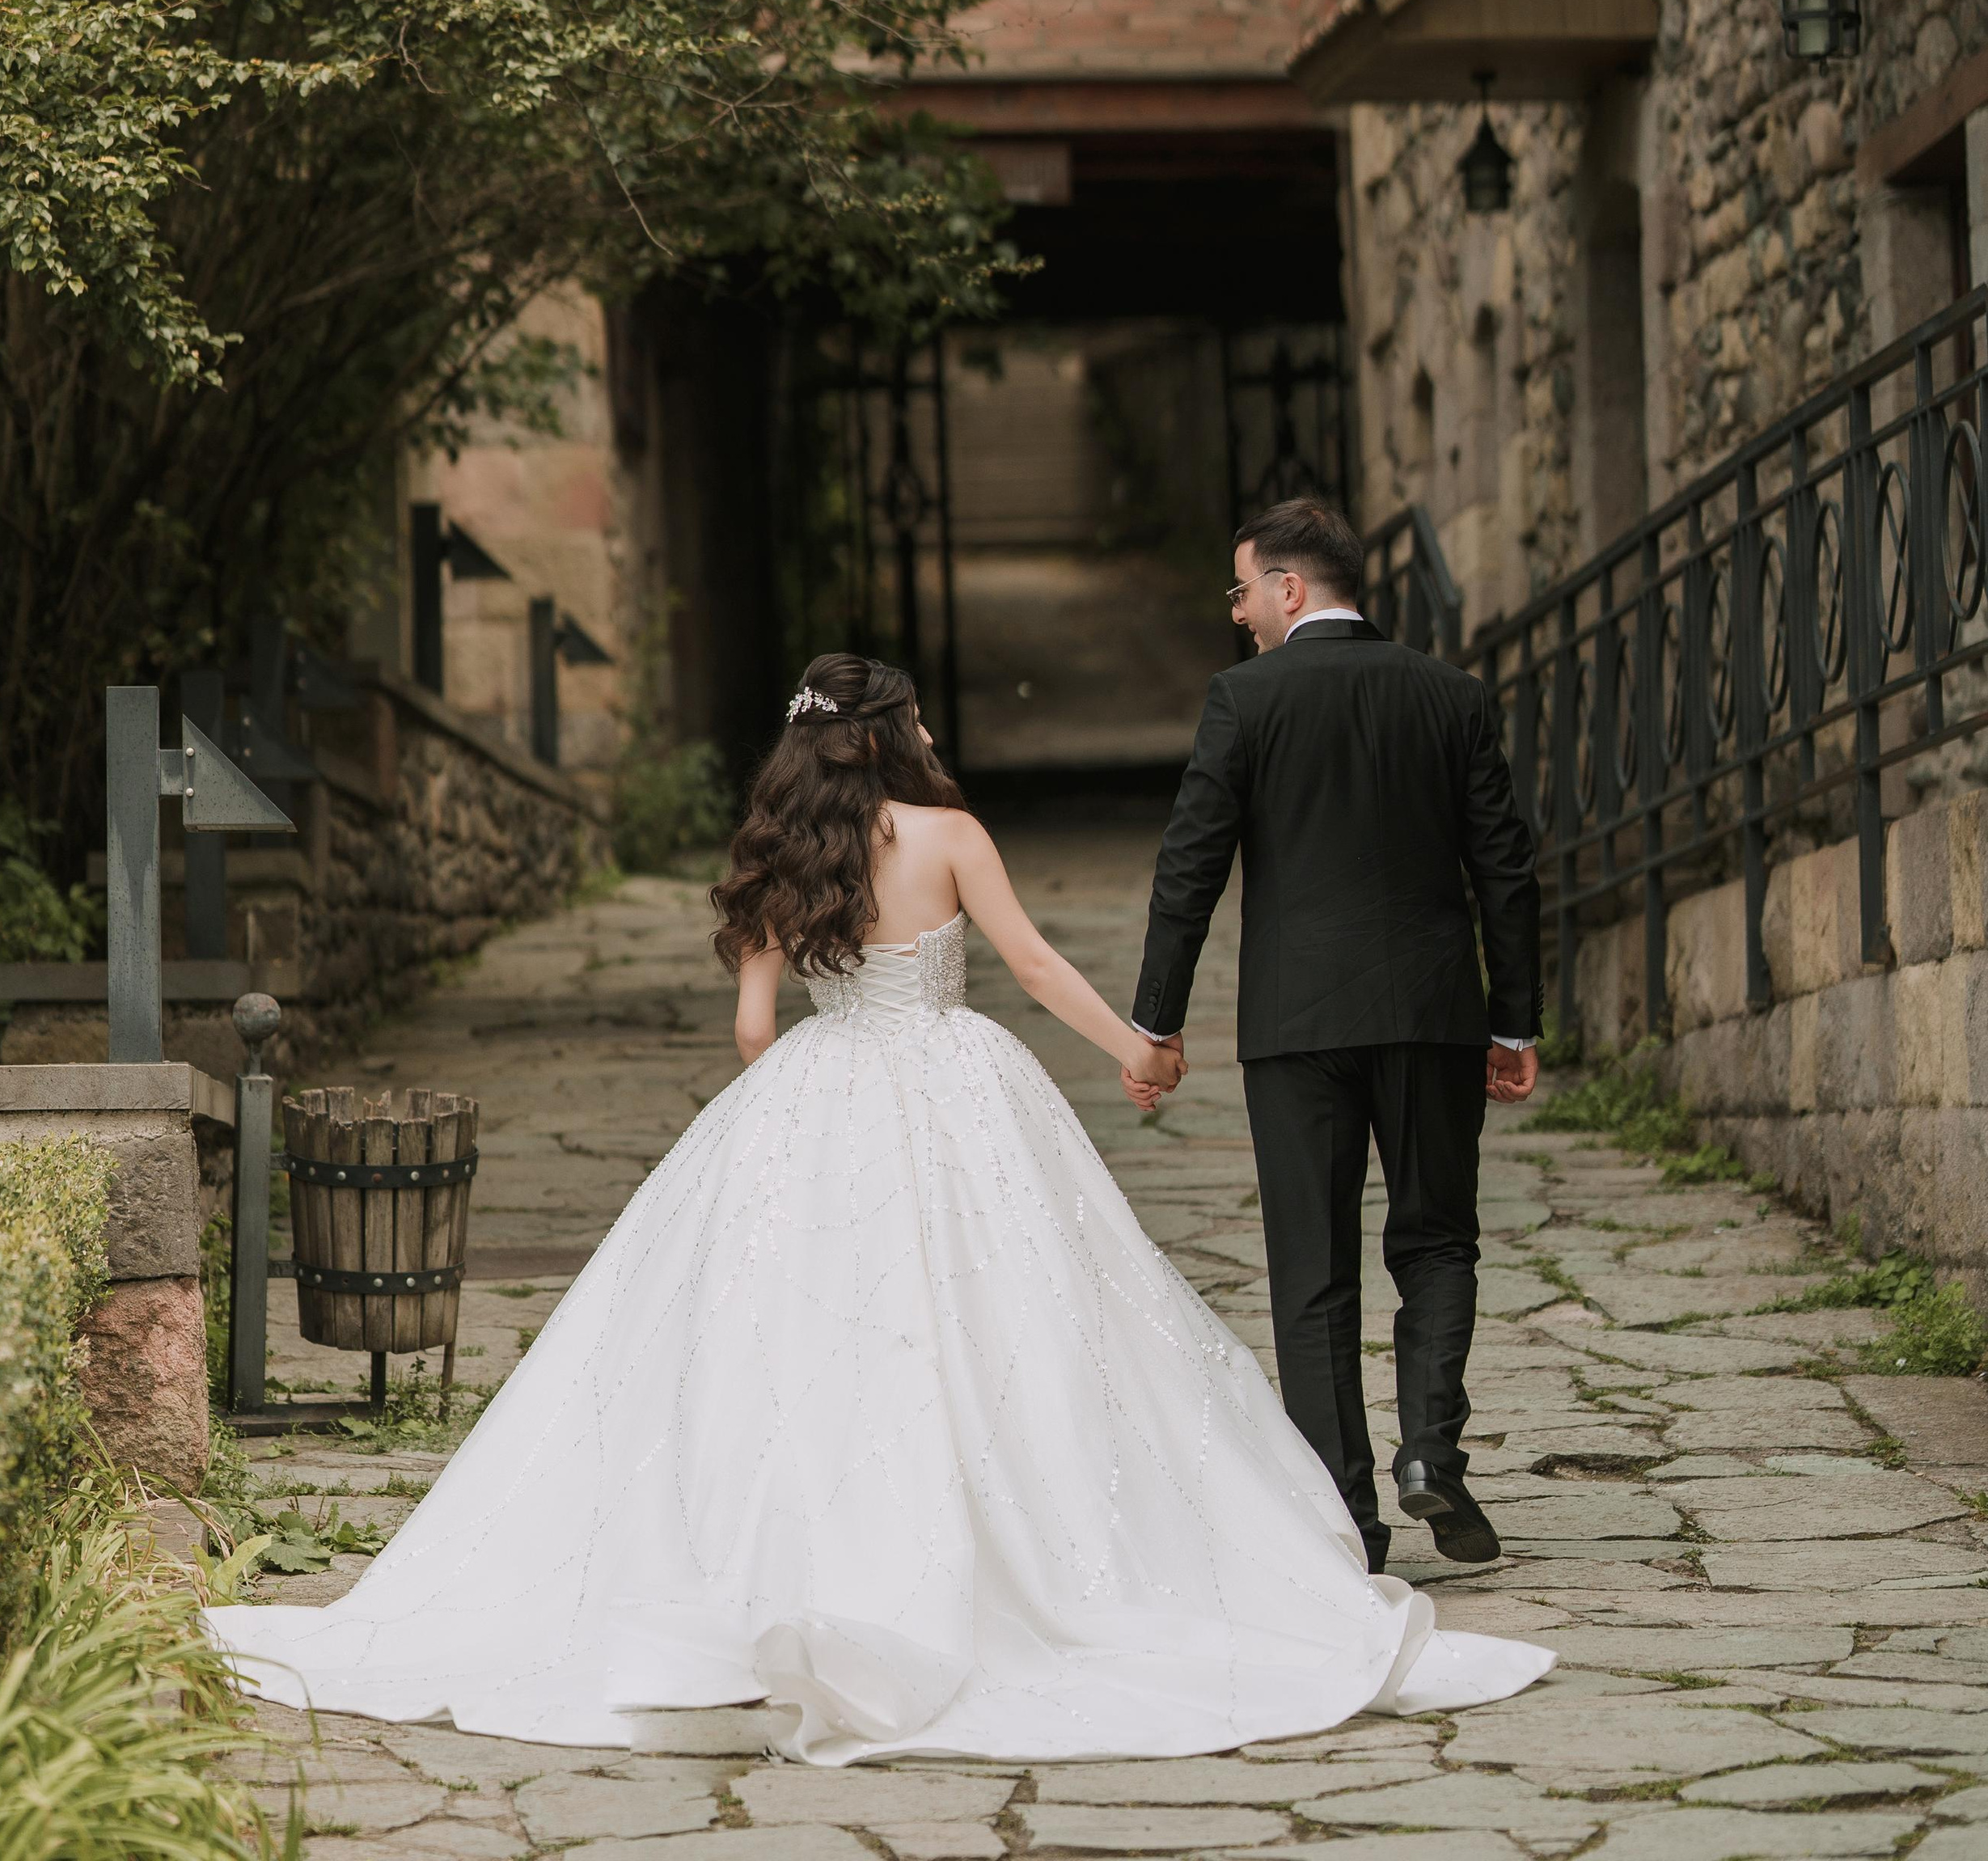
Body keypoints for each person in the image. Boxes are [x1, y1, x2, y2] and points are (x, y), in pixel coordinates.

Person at [205, 651, 1548, 1759]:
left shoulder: (781, 856)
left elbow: (748, 1034)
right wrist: (1136, 1051)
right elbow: (1026, 964)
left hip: (818, 1087)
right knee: (1011, 1323)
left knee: (787, 1340)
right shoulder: (954, 836)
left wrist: (816, 1040)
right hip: (959, 1086)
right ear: (896, 733)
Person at [1133, 497, 1544, 1577]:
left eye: (1242, 591)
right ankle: (1433, 1453)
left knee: (1312, 1266)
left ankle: (1346, 1520)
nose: (1237, 615)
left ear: (1291, 588)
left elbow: (1193, 866)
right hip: (1430, 1013)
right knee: (1437, 1238)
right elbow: (1505, 867)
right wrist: (1515, 1019)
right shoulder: (1448, 695)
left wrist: (1158, 1019)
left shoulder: (1244, 701)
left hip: (1297, 1024)